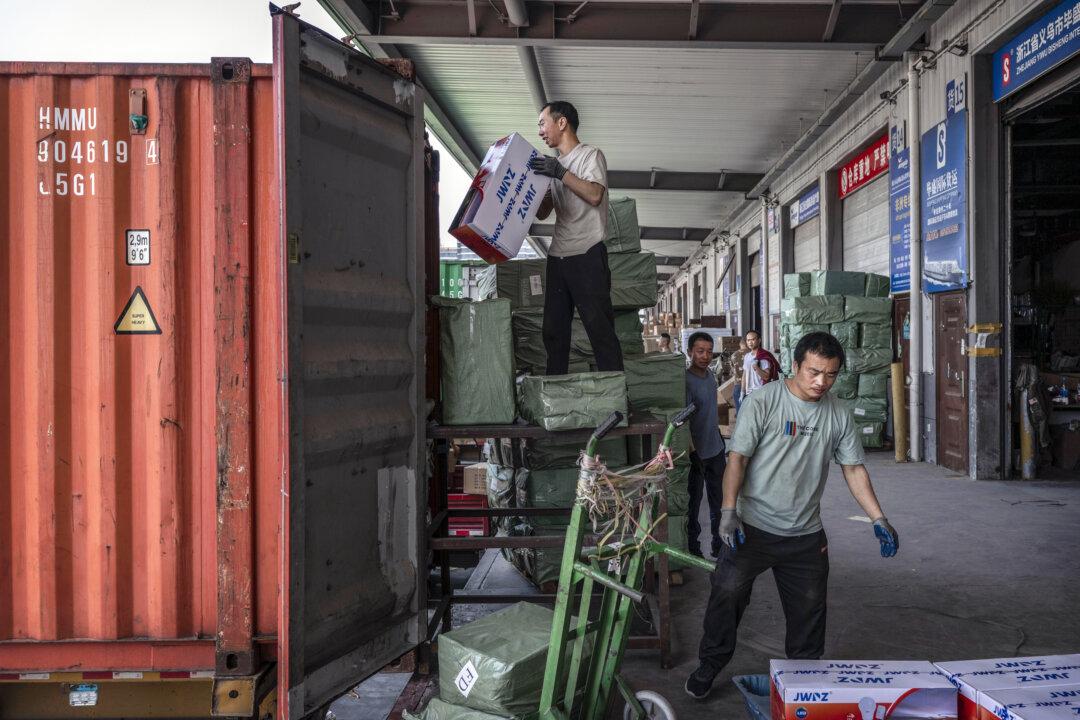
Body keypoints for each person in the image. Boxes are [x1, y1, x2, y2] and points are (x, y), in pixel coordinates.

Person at [685, 332, 899, 700]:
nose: (821, 382)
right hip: (750, 529)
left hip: (805, 535)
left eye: (831, 375)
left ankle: (803, 685)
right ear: (795, 365)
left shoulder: (838, 412)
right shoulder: (763, 402)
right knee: (726, 595)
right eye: (814, 372)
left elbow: (853, 468)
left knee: (809, 616)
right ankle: (710, 664)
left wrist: (879, 518)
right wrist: (728, 511)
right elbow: (738, 458)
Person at [530, 101, 622, 375]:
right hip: (558, 256)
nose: (540, 132)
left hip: (587, 253)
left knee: (600, 330)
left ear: (561, 123)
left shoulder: (590, 156)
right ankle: (555, 398)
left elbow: (595, 195)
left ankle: (616, 395)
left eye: (542, 123)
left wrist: (559, 173)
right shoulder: (554, 165)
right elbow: (544, 211)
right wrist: (527, 189)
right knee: (554, 332)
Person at [684, 332, 727, 558]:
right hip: (696, 454)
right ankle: (693, 549)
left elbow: (711, 413)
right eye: (700, 351)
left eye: (709, 351)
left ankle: (719, 546)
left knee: (718, 502)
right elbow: (684, 421)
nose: (705, 356)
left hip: (716, 450)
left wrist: (719, 438)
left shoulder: (710, 375)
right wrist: (692, 452)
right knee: (693, 505)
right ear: (690, 351)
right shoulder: (685, 381)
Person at [742, 330, 779, 398]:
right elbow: (744, 374)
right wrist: (742, 391)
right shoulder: (747, 356)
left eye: (753, 339)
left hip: (760, 392)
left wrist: (756, 367)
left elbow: (766, 377)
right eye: (748, 340)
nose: (750, 342)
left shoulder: (763, 356)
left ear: (759, 340)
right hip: (749, 393)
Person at [730, 339, 749, 411]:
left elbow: (732, 371)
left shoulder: (733, 355)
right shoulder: (751, 353)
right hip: (750, 386)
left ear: (740, 345)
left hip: (737, 384)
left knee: (740, 412)